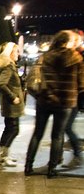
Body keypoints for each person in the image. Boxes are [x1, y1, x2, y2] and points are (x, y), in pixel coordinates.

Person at [25, 30, 84, 178]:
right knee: (57, 136)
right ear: (67, 42)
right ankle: (51, 170)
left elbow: (39, 78)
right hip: (65, 103)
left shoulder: (46, 57)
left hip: (45, 100)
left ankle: (28, 166)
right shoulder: (75, 58)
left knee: (37, 134)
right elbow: (81, 84)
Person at [0, 42, 25, 167]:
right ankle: (3, 156)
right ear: (10, 52)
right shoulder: (8, 66)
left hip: (11, 104)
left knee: (10, 129)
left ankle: (3, 155)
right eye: (16, 51)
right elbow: (1, 84)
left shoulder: (10, 65)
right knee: (13, 129)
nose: (18, 54)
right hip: (11, 104)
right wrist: (13, 97)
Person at [62, 31, 83, 168]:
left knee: (66, 126)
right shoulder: (73, 55)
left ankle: (77, 155)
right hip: (72, 97)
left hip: (75, 97)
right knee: (65, 127)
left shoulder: (77, 56)